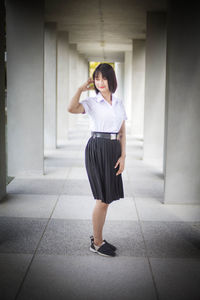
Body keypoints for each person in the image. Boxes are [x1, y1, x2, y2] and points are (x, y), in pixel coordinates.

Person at [67, 63, 127, 257]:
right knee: (102, 199)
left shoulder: (118, 103)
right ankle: (97, 243)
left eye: (104, 78)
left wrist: (123, 156)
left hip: (113, 149)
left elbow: (122, 131)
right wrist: (79, 89)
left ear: (111, 79)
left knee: (107, 199)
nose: (100, 82)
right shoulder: (92, 102)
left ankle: (97, 237)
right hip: (97, 148)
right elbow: (71, 108)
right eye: (97, 78)